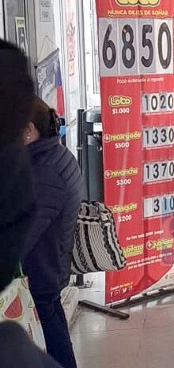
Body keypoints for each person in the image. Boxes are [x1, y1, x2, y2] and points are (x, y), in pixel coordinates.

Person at [0, 41, 62, 367]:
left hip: (46, 272)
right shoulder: (46, 158)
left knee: (53, 324)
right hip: (47, 271)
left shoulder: (45, 167)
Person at [22, 96, 83, 368]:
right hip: (51, 262)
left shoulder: (45, 170)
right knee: (53, 321)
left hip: (41, 267)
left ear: (28, 130)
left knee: (51, 332)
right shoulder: (51, 154)